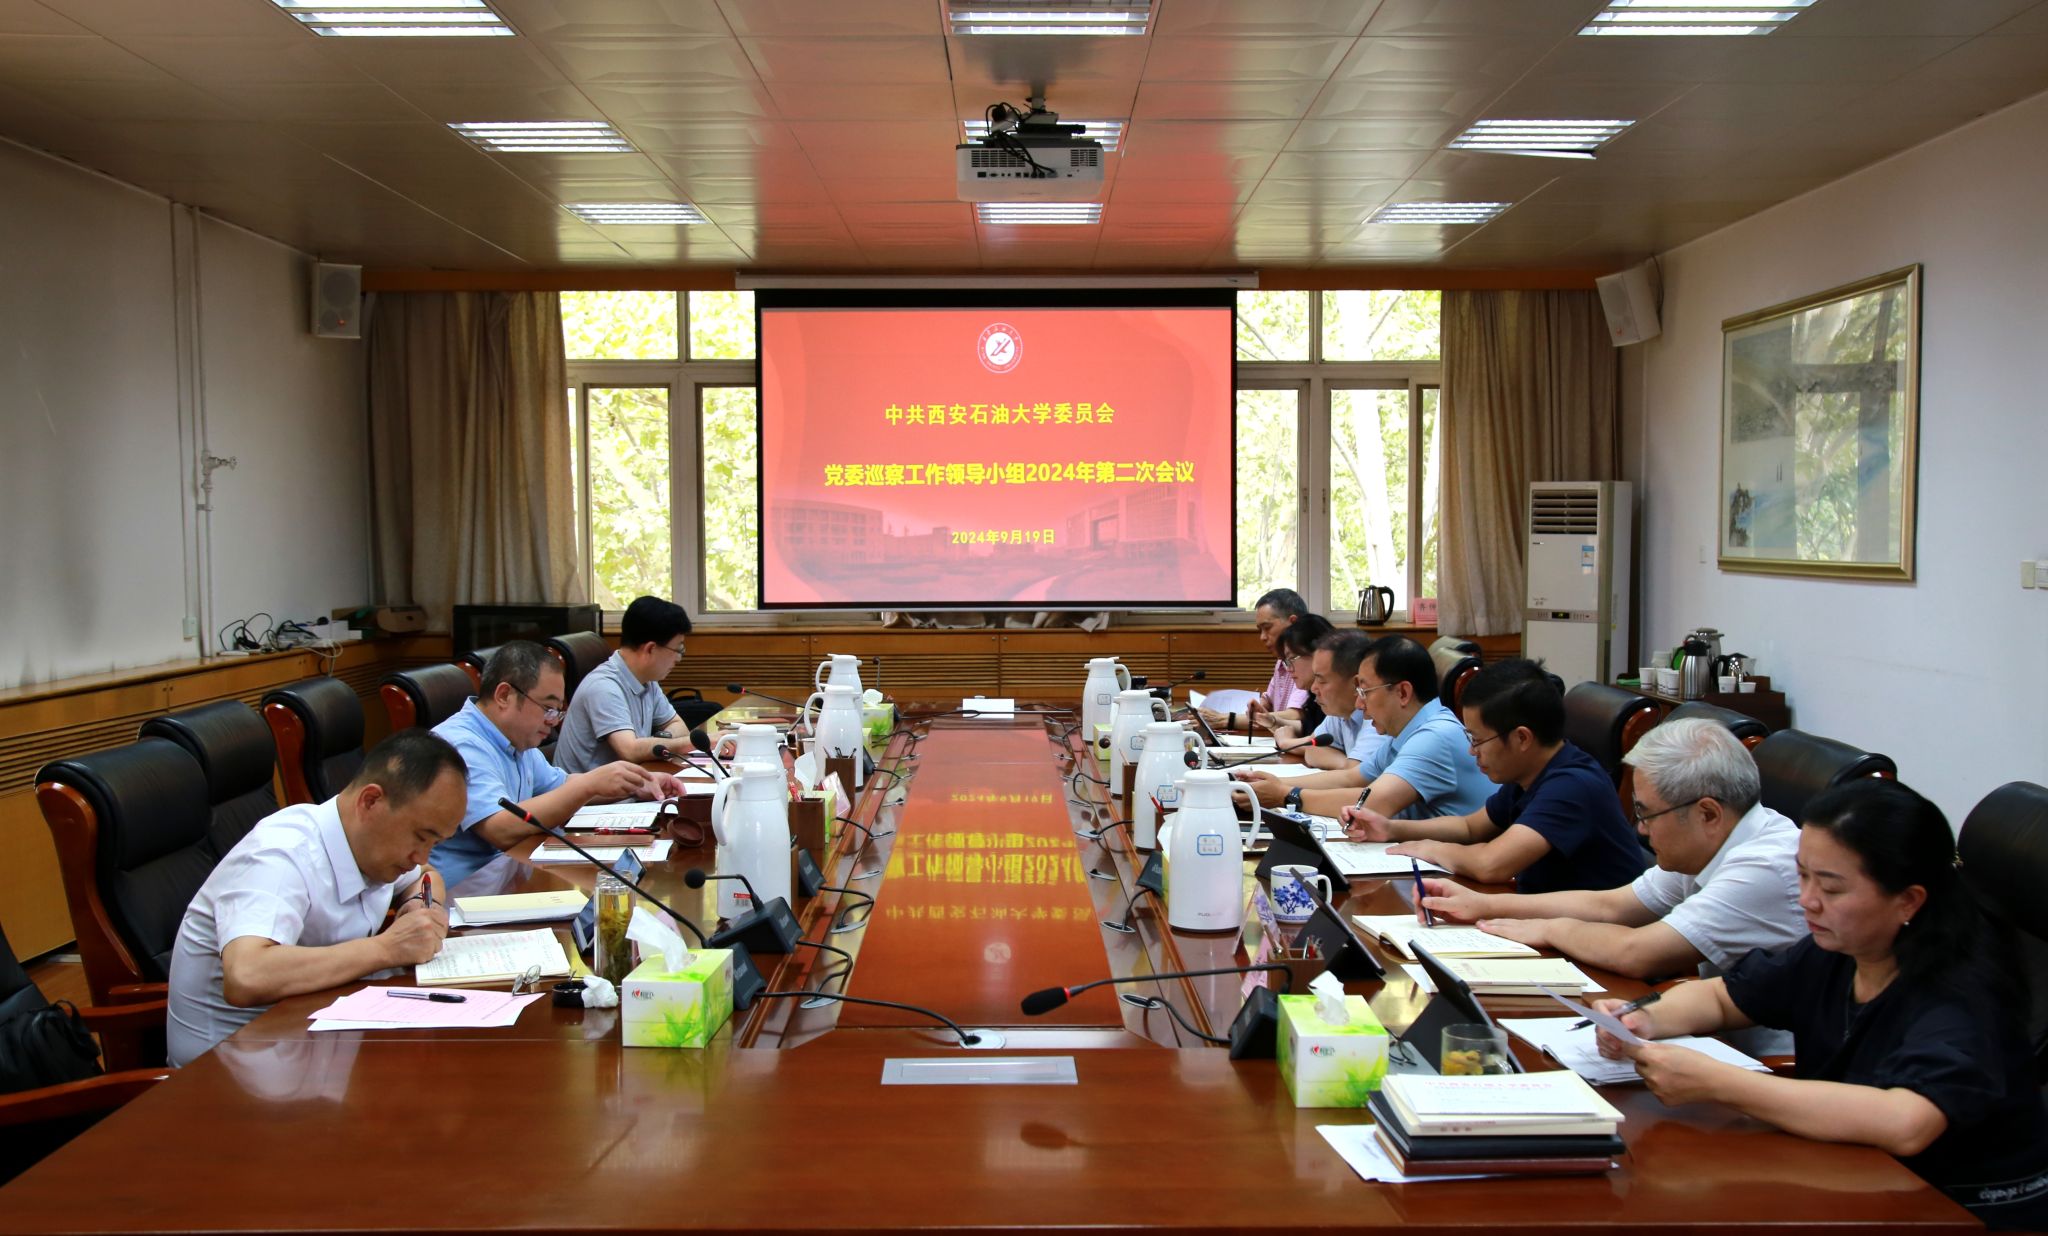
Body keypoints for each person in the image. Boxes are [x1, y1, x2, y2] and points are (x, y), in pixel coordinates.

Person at [1596, 780, 2048, 1231]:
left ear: (1908, 900)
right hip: (1856, 1176)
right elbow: (1721, 996)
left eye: (1830, 888)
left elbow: (1907, 1122)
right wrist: (1644, 1017)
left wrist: (1718, 1083)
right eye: (1803, 875)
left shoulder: (1960, 994)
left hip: (1959, 1210)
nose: (1807, 900)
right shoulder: (1840, 950)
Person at [1419, 717, 1804, 1053]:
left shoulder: (1762, 867)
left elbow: (1636, 951)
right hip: (1707, 1041)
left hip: (1769, 1069)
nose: (1640, 829)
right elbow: (1612, 906)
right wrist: (1484, 905)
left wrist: (1551, 930)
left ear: (1708, 813)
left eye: (1646, 813)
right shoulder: (1712, 841)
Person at [166, 731, 467, 1067]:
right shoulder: (281, 856)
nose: (421, 855)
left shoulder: (373, 845)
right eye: (421, 837)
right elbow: (246, 975)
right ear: (370, 802)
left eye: (435, 843)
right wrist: (388, 948)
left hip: (314, 1041)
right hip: (228, 1070)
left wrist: (421, 908)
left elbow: (426, 875)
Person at [1345, 659, 1648, 892]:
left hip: (1596, 939)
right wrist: (1390, 828)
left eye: (1477, 740)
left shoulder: (1572, 786)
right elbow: (1468, 827)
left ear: (1521, 738)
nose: (1471, 751)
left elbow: (1492, 864)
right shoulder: (1529, 773)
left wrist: (1431, 849)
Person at [431, 641, 678, 887]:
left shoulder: (515, 739)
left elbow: (560, 785)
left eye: (558, 711)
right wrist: (589, 785)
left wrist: (634, 783)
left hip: (512, 875)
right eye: (548, 708)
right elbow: (500, 828)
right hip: (466, 894)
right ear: (504, 695)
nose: (553, 721)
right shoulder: (461, 744)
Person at [1258, 636, 1492, 820]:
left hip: (1453, 863)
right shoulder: (1405, 731)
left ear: (1403, 693)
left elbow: (1373, 803)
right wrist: (1271, 783)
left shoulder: (1435, 736)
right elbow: (1351, 778)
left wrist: (1285, 795)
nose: (1359, 704)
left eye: (1365, 692)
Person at [1237, 631, 1386, 804]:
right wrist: (1345, 765)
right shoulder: (1340, 712)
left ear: (1356, 684)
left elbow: (1354, 779)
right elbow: (1313, 749)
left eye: (1321, 680)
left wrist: (1278, 787)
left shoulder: (1377, 717)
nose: (1314, 688)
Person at [553, 596, 690, 773]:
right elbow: (629, 751)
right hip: (592, 791)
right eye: (677, 650)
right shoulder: (603, 687)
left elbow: (679, 725)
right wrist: (695, 742)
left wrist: (662, 739)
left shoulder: (647, 680)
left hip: (626, 783)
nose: (678, 658)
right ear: (650, 649)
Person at [1198, 587, 1307, 735]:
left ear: (1293, 622)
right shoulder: (1281, 660)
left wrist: (1225, 719)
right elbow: (1268, 704)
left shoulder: (1308, 660)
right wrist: (1260, 705)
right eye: (1260, 630)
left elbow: (1295, 715)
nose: (1262, 637)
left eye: (1267, 628)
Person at [1264, 614, 1335, 742]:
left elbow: (1322, 744)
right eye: (1286, 662)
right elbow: (1309, 729)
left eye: (1291, 659)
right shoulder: (1314, 694)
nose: (1288, 669)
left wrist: (1287, 743)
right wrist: (1272, 721)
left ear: (1317, 653)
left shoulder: (1335, 697)